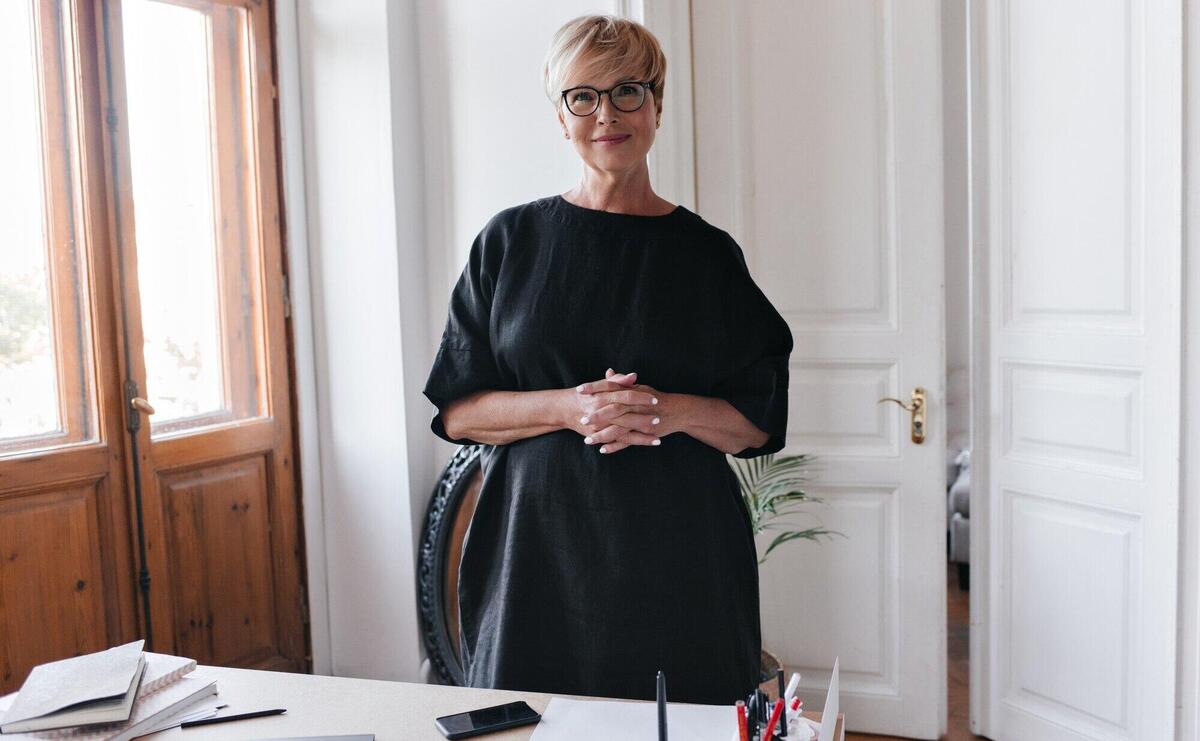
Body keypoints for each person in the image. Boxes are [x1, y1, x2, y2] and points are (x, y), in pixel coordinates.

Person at [421, 14, 793, 705]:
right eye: (582, 96)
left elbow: (757, 419)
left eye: (627, 90)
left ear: (656, 106)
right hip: (534, 556)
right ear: (560, 117)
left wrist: (663, 409)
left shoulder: (709, 257)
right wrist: (572, 405)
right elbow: (459, 407)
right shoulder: (508, 243)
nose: (607, 113)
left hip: (683, 554)